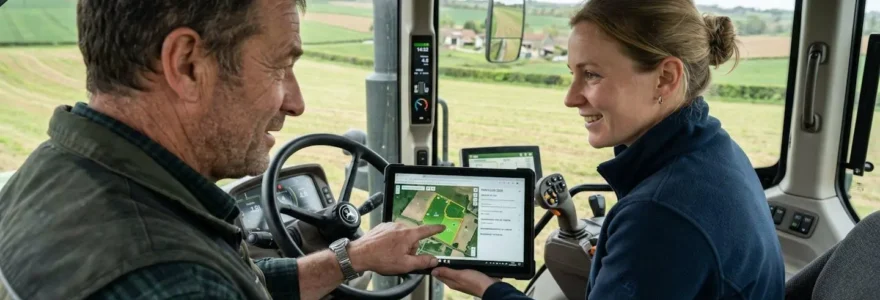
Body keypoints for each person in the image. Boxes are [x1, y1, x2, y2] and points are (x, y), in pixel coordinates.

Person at [0, 0, 445, 299]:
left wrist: (353, 257)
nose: (296, 102)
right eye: (280, 67)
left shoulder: (53, 169)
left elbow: (234, 276)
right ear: (188, 65)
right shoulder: (173, 279)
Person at [433, 0, 785, 299]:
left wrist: (491, 291)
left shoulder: (659, 216)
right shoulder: (717, 152)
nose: (570, 99)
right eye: (573, 73)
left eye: (592, 75)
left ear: (665, 77)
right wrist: (491, 287)